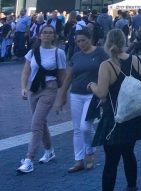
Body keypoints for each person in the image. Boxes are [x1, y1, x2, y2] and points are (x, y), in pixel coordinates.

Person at [88, 29, 141, 191]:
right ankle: (132, 187)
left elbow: (101, 92)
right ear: (125, 42)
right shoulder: (136, 60)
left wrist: (92, 86)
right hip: (134, 115)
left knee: (111, 160)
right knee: (129, 153)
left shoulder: (107, 65)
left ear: (107, 43)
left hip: (114, 116)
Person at [55, 28, 108, 173]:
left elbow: (108, 72)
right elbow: (69, 76)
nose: (80, 43)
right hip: (76, 94)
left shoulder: (100, 53)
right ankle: (78, 160)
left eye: (83, 40)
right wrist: (62, 95)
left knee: (85, 126)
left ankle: (90, 152)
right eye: (78, 41)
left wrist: (105, 92)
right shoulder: (76, 56)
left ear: (90, 39)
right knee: (77, 128)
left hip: (93, 94)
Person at [17, 24, 67, 174]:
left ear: (54, 36)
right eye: (44, 32)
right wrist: (24, 88)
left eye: (50, 33)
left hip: (49, 88)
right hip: (34, 89)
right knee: (41, 122)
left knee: (36, 123)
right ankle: (49, 150)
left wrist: (61, 94)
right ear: (39, 35)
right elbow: (26, 72)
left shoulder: (59, 53)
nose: (47, 35)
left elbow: (62, 75)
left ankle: (29, 159)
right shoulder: (32, 52)